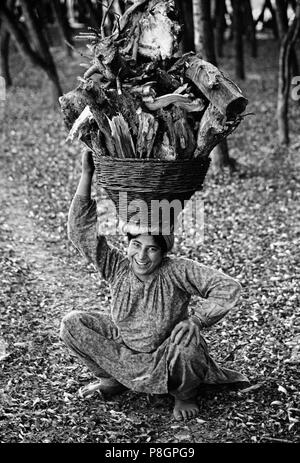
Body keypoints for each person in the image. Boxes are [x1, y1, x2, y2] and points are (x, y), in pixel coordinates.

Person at [60, 150, 249, 421]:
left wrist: (197, 320)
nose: (141, 256)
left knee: (189, 343)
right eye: (135, 245)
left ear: (163, 253)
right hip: (124, 348)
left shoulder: (176, 269)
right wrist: (87, 174)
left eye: (152, 250)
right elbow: (81, 233)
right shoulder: (116, 265)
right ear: (127, 245)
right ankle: (112, 378)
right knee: (72, 324)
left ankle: (184, 394)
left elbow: (228, 287)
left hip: (166, 353)